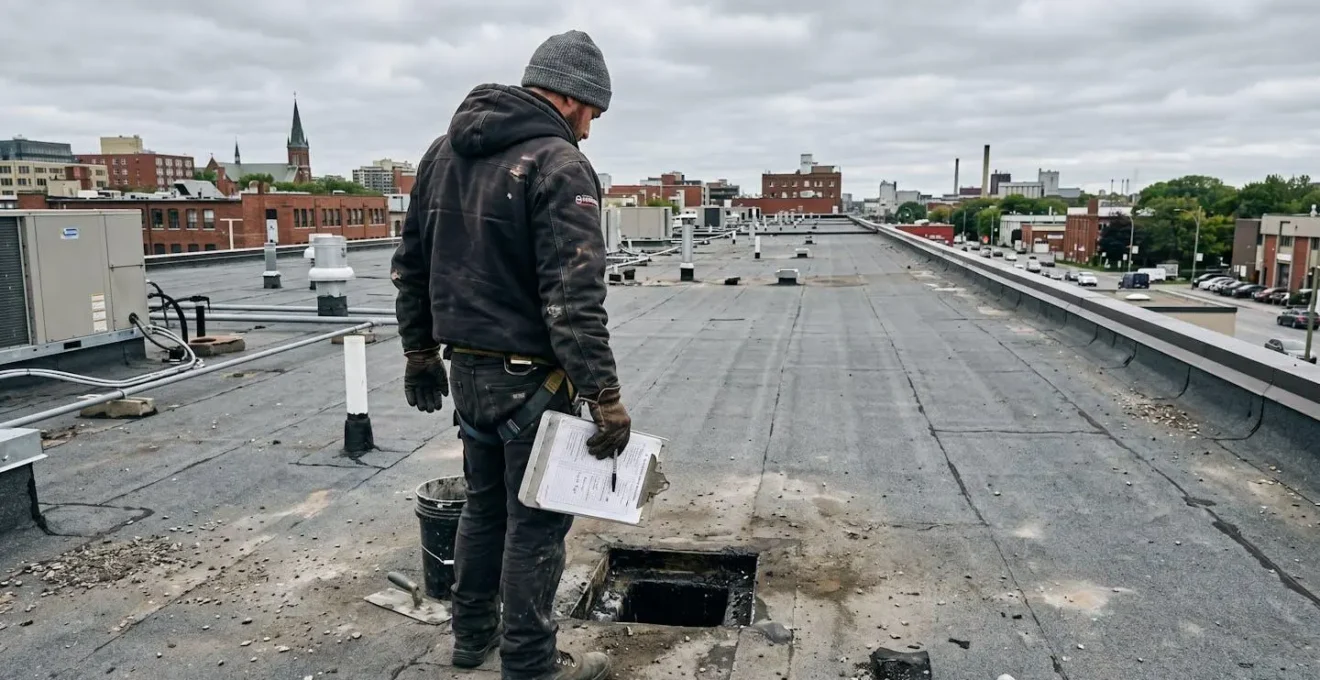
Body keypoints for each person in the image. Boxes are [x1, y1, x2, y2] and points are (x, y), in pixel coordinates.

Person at [391, 30, 630, 680]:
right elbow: (573, 297)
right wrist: (603, 396)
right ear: (572, 98)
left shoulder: (442, 153)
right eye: (592, 114)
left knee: (483, 507)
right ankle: (529, 664)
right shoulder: (558, 164)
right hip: (530, 382)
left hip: (466, 379)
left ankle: (472, 640)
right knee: (534, 526)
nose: (589, 131)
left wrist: (419, 353)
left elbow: (410, 265)